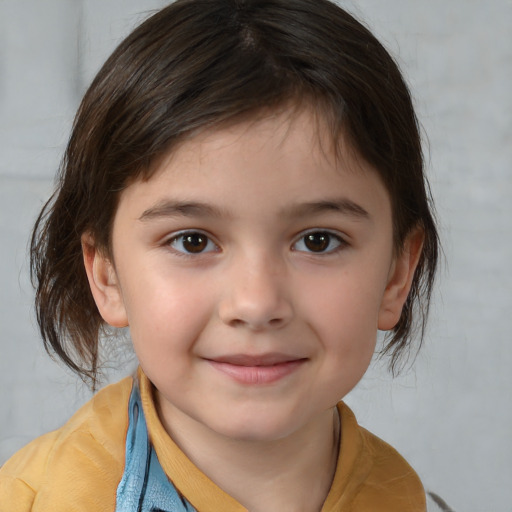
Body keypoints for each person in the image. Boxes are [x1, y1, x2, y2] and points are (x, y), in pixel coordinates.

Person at [0, 0, 440, 510]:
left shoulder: (403, 496)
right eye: (193, 241)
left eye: (318, 240)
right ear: (107, 276)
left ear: (396, 275)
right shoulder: (35, 499)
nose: (256, 304)